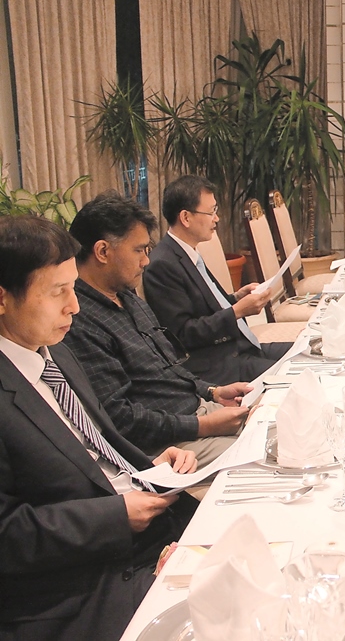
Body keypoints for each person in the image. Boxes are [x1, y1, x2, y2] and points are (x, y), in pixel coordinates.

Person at [0, 215, 198, 641]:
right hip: (82, 585)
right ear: (2, 299)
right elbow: (7, 533)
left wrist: (148, 465)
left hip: (146, 528)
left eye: (73, 288)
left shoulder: (54, 352)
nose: (74, 305)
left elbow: (96, 446)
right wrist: (114, 517)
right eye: (58, 292)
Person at [64, 193, 251, 467]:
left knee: (282, 425)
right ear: (103, 251)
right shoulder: (79, 320)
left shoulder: (126, 296)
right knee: (271, 456)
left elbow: (167, 367)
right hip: (170, 442)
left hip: (196, 412)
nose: (146, 262)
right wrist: (202, 425)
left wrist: (212, 391)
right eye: (138, 250)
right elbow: (120, 418)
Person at [143, 175, 290, 383]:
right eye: (211, 212)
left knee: (306, 349)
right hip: (219, 365)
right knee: (299, 374)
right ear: (185, 218)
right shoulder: (162, 265)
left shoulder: (188, 252)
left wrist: (236, 298)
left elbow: (205, 306)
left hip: (239, 347)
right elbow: (183, 334)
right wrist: (238, 311)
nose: (217, 218)